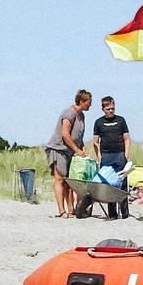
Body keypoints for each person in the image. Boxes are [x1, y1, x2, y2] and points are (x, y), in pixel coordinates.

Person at [46, 90, 92, 218]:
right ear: (81, 101)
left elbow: (79, 136)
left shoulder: (82, 116)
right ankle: (62, 210)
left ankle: (71, 209)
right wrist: (77, 150)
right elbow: (65, 134)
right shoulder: (69, 113)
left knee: (69, 182)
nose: (90, 105)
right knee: (60, 179)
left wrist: (82, 150)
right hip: (59, 149)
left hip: (71, 151)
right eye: (88, 102)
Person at [90, 96, 132, 220]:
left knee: (122, 183)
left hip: (119, 154)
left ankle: (124, 213)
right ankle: (112, 213)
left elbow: (126, 138)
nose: (111, 111)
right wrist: (99, 156)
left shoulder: (120, 120)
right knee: (109, 184)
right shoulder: (99, 122)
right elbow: (95, 142)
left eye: (112, 108)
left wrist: (126, 155)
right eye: (108, 109)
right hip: (106, 156)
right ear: (103, 109)